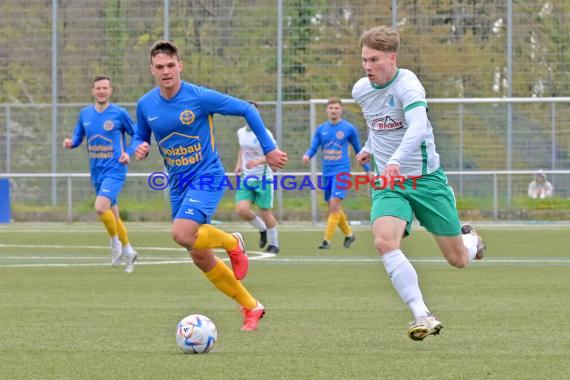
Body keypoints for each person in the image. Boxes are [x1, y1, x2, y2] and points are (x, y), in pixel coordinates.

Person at [123, 40, 287, 331]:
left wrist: (269, 147)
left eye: (171, 65)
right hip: (178, 184)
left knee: (181, 233)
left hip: (207, 175)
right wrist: (140, 146)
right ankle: (252, 306)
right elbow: (140, 135)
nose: (166, 71)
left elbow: (248, 110)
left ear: (180, 66)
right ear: (152, 69)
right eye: (159, 67)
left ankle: (232, 242)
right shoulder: (146, 104)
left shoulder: (198, 97)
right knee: (199, 254)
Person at [353, 26, 486, 341]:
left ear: (392, 57)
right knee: (385, 242)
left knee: (458, 260)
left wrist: (397, 158)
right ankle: (422, 315)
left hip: (427, 181)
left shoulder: (409, 86)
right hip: (389, 182)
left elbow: (416, 127)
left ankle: (473, 241)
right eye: (363, 60)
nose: (367, 67)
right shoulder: (361, 89)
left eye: (373, 60)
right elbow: (377, 123)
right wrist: (370, 148)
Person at [63, 75, 138, 273]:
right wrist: (72, 143)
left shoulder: (119, 114)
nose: (102, 91)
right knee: (113, 214)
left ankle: (115, 244)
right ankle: (129, 250)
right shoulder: (85, 114)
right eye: (98, 88)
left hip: (115, 170)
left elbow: (137, 136)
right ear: (93, 90)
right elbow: (79, 136)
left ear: (110, 90)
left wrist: (128, 153)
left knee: (100, 207)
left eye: (105, 87)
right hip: (96, 170)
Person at [303, 97, 372, 249]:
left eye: (336, 108)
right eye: (331, 108)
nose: (333, 110)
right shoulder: (321, 129)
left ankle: (326, 240)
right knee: (334, 207)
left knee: (334, 204)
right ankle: (349, 234)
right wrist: (308, 155)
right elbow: (314, 147)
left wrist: (368, 170)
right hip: (327, 172)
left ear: (341, 110)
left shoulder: (348, 128)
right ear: (327, 110)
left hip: (342, 171)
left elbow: (359, 150)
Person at [234, 103, 280, 254]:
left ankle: (274, 244)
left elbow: (274, 154)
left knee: (265, 212)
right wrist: (239, 164)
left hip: (263, 178)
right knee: (241, 210)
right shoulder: (241, 132)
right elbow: (242, 149)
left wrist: (258, 161)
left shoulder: (264, 133)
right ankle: (262, 229)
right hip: (247, 177)